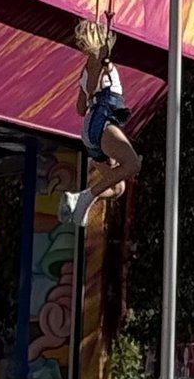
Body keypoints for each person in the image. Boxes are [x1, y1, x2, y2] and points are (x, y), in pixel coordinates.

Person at [60, 19, 140, 227]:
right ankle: (84, 199)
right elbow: (98, 66)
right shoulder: (100, 62)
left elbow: (79, 109)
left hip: (89, 129)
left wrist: (90, 94)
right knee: (132, 164)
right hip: (101, 119)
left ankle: (78, 198)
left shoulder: (85, 73)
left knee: (118, 188)